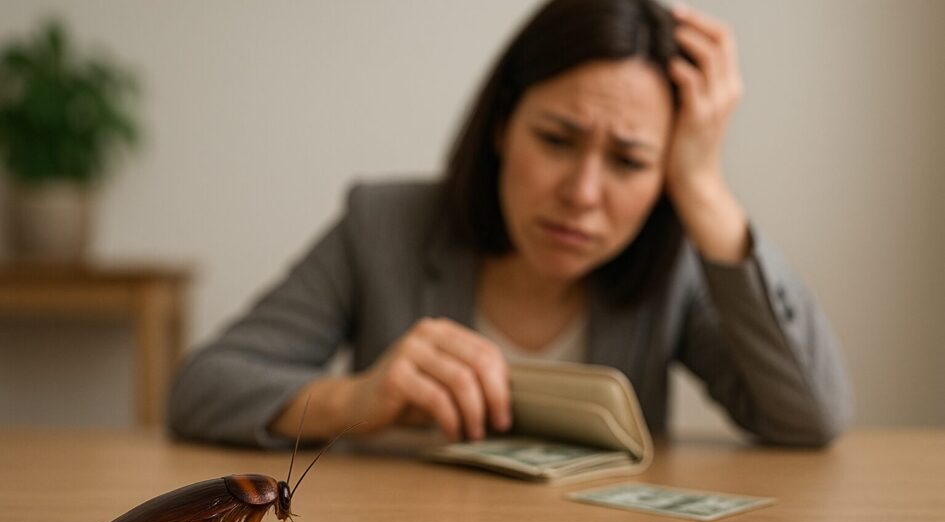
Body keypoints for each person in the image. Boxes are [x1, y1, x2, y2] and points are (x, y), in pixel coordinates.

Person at [169, 0, 852, 449]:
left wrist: (703, 187)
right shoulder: (384, 223)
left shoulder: (673, 262)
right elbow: (202, 387)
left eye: (628, 160)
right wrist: (353, 399)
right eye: (556, 139)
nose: (583, 193)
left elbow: (810, 417)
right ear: (501, 124)